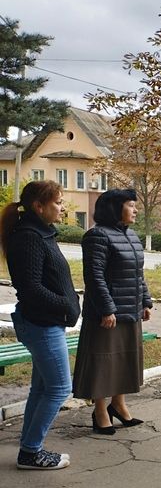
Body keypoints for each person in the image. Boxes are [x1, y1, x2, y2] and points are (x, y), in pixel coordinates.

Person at [1, 180, 80, 469]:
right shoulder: (30, 237)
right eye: (58, 202)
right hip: (41, 325)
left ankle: (29, 449)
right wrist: (68, 305)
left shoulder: (39, 232)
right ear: (39, 206)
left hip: (45, 323)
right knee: (60, 388)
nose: (62, 207)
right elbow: (31, 288)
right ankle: (31, 452)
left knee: (42, 388)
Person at [72, 189, 152, 435]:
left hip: (130, 309)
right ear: (114, 208)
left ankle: (118, 404)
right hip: (106, 314)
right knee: (103, 361)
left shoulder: (132, 236)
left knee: (124, 359)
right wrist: (107, 309)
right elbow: (94, 277)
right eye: (130, 205)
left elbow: (137, 274)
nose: (135, 209)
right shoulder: (97, 236)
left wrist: (146, 301)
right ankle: (100, 411)